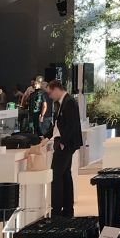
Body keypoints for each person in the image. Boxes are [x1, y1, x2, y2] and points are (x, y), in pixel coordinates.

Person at [46, 79, 82, 217]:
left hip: (65, 144)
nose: (50, 96)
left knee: (56, 175)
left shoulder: (69, 102)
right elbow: (58, 124)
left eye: (50, 93)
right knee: (65, 175)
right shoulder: (63, 102)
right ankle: (67, 210)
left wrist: (63, 142)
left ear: (56, 89)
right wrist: (46, 136)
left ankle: (57, 210)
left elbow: (71, 125)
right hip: (64, 143)